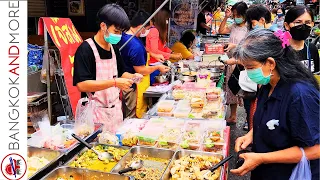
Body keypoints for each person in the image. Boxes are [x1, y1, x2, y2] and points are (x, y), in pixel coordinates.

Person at [231, 29, 320, 180]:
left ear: (271, 63)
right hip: (266, 171)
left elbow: (315, 150)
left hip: (288, 173)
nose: (247, 72)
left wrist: (261, 158)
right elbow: (271, 118)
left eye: (250, 67)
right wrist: (251, 135)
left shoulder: (300, 95)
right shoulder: (268, 83)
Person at [73, 4, 140, 133]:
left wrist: (132, 77)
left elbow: (121, 73)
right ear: (103, 26)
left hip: (115, 112)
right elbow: (82, 85)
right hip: (94, 114)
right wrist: (114, 82)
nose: (119, 35)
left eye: (121, 32)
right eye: (116, 31)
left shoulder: (113, 48)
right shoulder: (85, 50)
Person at [119, 11, 170, 118]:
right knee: (132, 117)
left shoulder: (125, 36)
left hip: (123, 83)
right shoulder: (134, 45)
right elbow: (141, 70)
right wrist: (157, 67)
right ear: (140, 27)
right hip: (131, 86)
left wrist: (153, 55)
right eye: (147, 28)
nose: (147, 31)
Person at [218, 1, 249, 125]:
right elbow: (221, 30)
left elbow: (250, 46)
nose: (235, 17)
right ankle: (233, 115)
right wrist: (225, 17)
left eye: (238, 15)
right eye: (234, 15)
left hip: (242, 62)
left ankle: (249, 118)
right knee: (231, 89)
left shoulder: (249, 28)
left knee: (245, 91)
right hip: (231, 62)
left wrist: (234, 45)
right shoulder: (234, 26)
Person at [146, 7, 182, 85]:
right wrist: (172, 56)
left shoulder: (159, 31)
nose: (167, 22)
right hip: (153, 66)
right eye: (167, 19)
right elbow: (155, 51)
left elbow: (164, 47)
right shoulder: (154, 31)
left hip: (159, 65)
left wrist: (173, 52)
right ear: (162, 19)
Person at [284, 5, 320, 73]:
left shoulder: (312, 48)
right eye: (298, 22)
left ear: (312, 24)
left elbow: (316, 74)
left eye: (307, 22)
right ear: (287, 25)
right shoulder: (279, 50)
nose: (303, 26)